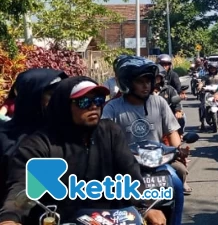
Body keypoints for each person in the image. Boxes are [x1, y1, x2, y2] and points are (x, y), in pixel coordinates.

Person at [0, 76, 166, 225]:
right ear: (64, 106)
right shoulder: (40, 144)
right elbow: (23, 188)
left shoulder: (110, 132)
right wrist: (10, 218)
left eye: (99, 100)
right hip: (62, 218)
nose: (94, 106)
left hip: (113, 219)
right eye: (84, 102)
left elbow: (130, 174)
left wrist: (146, 207)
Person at [101, 56, 192, 195]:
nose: (146, 85)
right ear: (127, 83)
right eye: (140, 82)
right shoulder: (112, 108)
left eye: (148, 81)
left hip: (158, 162)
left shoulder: (159, 102)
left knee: (179, 174)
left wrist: (178, 151)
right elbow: (104, 137)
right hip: (125, 165)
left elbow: (172, 132)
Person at [0, 68, 68, 203]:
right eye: (52, 95)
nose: (60, 101)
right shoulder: (4, 138)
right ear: (32, 98)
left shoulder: (68, 131)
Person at [154, 66, 184, 134]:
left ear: (162, 77)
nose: (156, 79)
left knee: (181, 117)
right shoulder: (147, 91)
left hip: (168, 116)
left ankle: (180, 136)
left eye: (158, 77)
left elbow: (176, 101)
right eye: (154, 76)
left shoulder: (169, 89)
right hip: (151, 117)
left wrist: (178, 111)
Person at [197, 61, 218, 131]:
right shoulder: (206, 76)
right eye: (211, 68)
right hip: (208, 93)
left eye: (214, 68)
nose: (213, 69)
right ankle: (202, 122)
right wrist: (200, 86)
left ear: (217, 68)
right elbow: (202, 82)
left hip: (217, 93)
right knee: (202, 106)